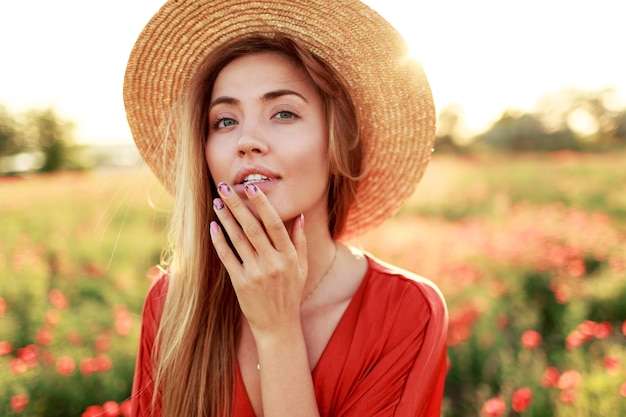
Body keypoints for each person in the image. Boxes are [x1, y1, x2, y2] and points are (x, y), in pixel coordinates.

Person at [123, 0, 448, 416]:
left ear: (339, 141)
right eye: (224, 121)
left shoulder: (406, 312)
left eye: (284, 113)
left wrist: (277, 333)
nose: (247, 140)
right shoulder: (172, 304)